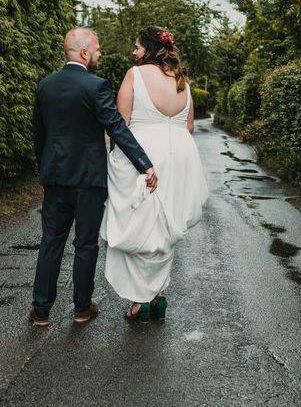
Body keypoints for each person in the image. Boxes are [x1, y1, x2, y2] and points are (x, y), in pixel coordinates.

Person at [29, 28, 158, 327]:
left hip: (55, 178)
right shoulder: (96, 86)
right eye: (97, 49)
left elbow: (39, 135)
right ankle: (82, 308)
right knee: (85, 245)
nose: (100, 54)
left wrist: (46, 169)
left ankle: (41, 311)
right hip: (89, 180)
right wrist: (144, 164)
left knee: (51, 242)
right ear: (85, 53)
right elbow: (117, 128)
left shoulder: (45, 86)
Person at [100, 26, 209, 323]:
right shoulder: (182, 81)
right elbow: (188, 127)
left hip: (145, 154)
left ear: (148, 48)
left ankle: (141, 301)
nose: (133, 52)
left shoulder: (135, 74)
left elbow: (120, 124)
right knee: (165, 225)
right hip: (180, 156)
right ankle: (158, 294)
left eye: (136, 47)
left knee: (140, 224)